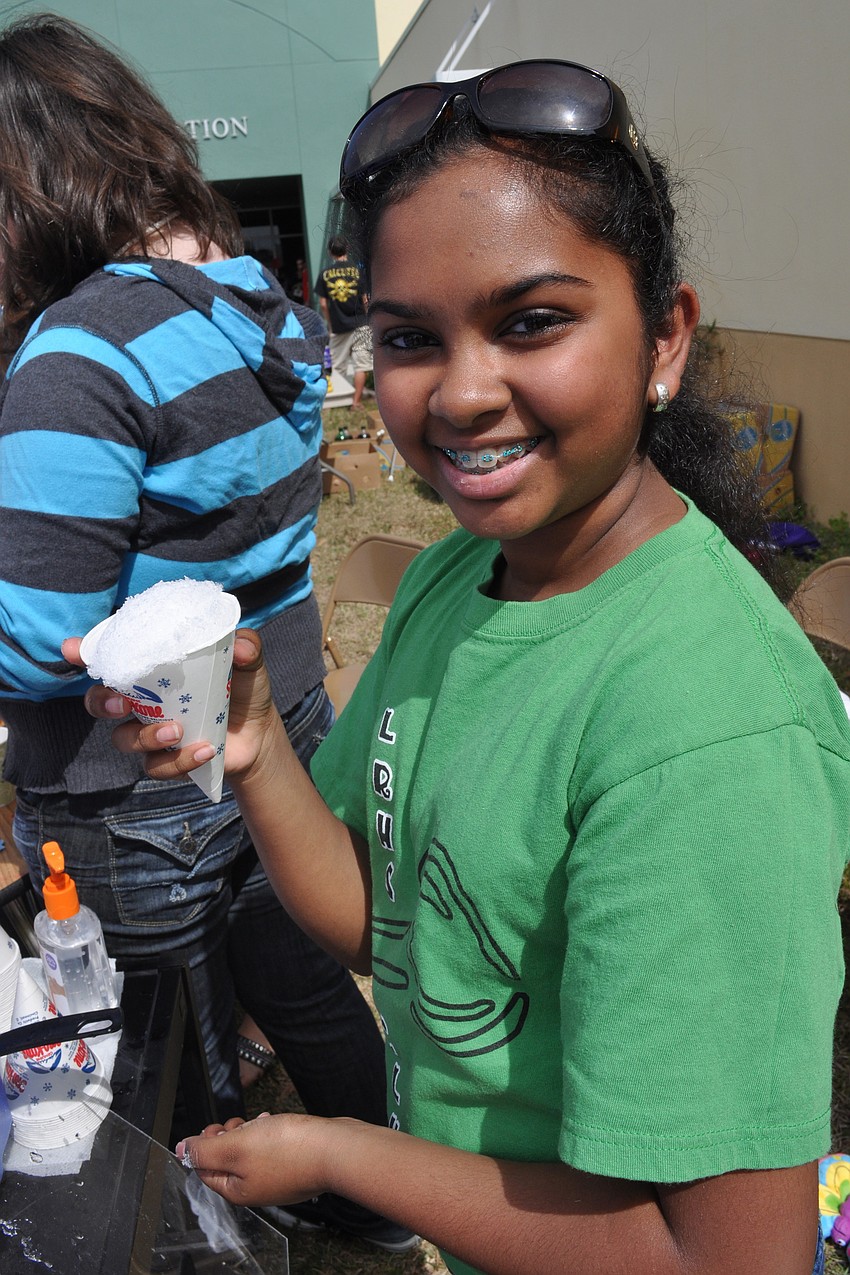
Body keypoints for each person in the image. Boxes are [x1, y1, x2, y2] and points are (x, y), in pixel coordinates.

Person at [79, 58, 850, 1275]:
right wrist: (258, 748)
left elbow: (720, 1258)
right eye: (408, 338)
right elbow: (388, 928)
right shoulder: (460, 580)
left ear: (664, 338)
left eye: (531, 321)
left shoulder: (707, 732)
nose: (464, 393)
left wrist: (340, 1155)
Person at [0, 14, 415, 1253]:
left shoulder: (76, 356)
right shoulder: (255, 305)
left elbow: (37, 642)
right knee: (300, 985)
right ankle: (384, 1195)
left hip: (135, 781)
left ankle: (187, 1224)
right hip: (274, 733)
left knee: (156, 1042)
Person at [314, 235, 373, 408]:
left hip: (339, 326)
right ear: (347, 249)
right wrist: (369, 320)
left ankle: (337, 401)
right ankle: (356, 402)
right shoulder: (357, 271)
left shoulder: (325, 274)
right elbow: (365, 299)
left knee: (336, 366)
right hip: (360, 323)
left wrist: (330, 324)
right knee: (360, 365)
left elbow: (324, 304)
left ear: (330, 252)